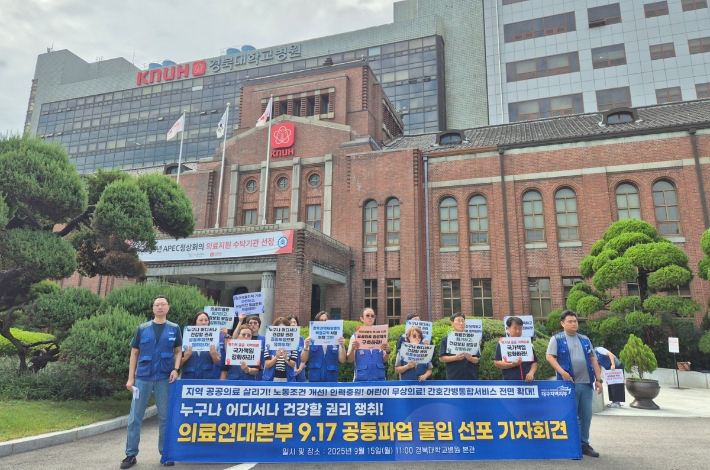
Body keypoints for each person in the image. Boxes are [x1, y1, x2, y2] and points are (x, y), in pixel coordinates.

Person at [121, 296, 182, 469]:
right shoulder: (142, 328)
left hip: (164, 378)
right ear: (153, 308)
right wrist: (131, 377)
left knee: (165, 417)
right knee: (135, 417)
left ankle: (165, 453)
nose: (160, 307)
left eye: (163, 304)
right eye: (157, 305)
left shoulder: (174, 328)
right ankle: (130, 454)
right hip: (143, 378)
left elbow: (178, 351)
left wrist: (176, 369)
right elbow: (134, 353)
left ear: (168, 307)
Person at [546, 310, 603, 458]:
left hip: (586, 383)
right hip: (568, 384)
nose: (573, 324)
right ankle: (572, 445)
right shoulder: (557, 339)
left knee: (586, 416)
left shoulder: (584, 339)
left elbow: (593, 359)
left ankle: (584, 444)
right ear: (562, 323)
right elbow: (550, 357)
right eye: (570, 321)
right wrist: (562, 372)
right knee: (570, 415)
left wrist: (598, 380)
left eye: (575, 321)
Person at [347, 308, 391, 381]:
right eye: (367, 315)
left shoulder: (380, 335)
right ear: (362, 318)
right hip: (361, 379)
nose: (370, 317)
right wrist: (352, 349)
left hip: (379, 379)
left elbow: (384, 360)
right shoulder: (355, 336)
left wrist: (388, 352)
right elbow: (350, 360)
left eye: (372, 316)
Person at [301, 311, 346, 382]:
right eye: (321, 320)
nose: (323, 322)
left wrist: (343, 346)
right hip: (315, 379)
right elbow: (303, 360)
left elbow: (342, 360)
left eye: (326, 320)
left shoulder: (337, 338)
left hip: (331, 380)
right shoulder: (310, 339)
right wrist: (306, 347)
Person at [494, 316, 537, 382]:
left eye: (520, 329)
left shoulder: (527, 344)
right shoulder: (502, 344)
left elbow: (534, 362)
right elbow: (497, 363)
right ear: (508, 328)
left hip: (527, 382)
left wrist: (531, 373)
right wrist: (512, 364)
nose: (518, 331)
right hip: (510, 382)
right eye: (515, 328)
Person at [438, 312, 480, 380]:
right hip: (454, 377)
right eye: (458, 321)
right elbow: (441, 358)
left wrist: (471, 358)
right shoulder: (446, 339)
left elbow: (477, 359)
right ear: (452, 323)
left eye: (463, 321)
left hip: (470, 376)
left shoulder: (472, 339)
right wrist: (456, 358)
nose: (461, 323)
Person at [180, 311, 221, 380]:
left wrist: (214, 356)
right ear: (195, 322)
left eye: (206, 320)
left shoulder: (214, 339)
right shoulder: (186, 337)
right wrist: (186, 356)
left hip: (206, 377)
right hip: (188, 377)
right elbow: (178, 363)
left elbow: (217, 361)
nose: (204, 322)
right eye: (201, 320)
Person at [262, 317, 299, 382]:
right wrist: (276, 357)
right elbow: (267, 364)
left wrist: (286, 358)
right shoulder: (269, 344)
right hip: (271, 379)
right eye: (279, 329)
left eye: (284, 329)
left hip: (288, 379)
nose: (281, 332)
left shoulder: (293, 344)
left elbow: (293, 364)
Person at [286, 315, 307, 382]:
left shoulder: (301, 339)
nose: (293, 324)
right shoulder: (284, 339)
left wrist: (300, 369)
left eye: (294, 322)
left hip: (300, 370)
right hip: (288, 370)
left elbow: (304, 357)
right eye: (290, 322)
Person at [245, 315, 266, 380]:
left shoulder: (264, 339)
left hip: (261, 370)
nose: (253, 325)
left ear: (259, 325)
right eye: (250, 323)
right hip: (246, 369)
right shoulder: (244, 338)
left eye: (255, 323)